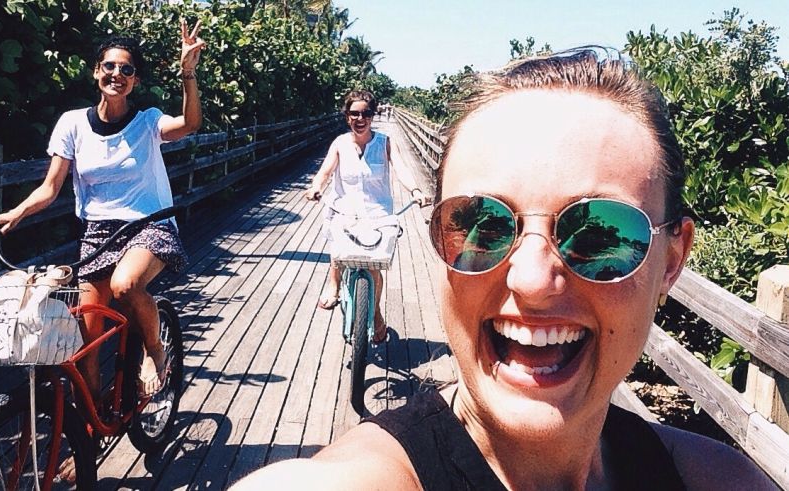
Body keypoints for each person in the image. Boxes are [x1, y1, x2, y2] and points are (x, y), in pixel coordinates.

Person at [232, 49, 776, 489]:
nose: (532, 280)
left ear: (671, 261)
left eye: (601, 232)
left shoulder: (723, 479)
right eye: (481, 224)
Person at [0, 20, 205, 402]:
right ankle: (89, 435)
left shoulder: (147, 121)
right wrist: (17, 212)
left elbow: (189, 123)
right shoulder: (72, 124)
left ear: (135, 81)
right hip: (98, 233)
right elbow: (50, 188)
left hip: (149, 225)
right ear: (96, 72)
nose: (117, 74)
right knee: (85, 345)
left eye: (126, 69)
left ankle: (154, 349)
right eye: (109, 66)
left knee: (125, 285)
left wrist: (187, 72)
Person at [304, 89, 425, 344]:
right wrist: (316, 187)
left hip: (377, 214)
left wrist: (415, 189)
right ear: (347, 116)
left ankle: (376, 312)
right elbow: (325, 172)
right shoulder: (339, 144)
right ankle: (333, 286)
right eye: (354, 114)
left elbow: (401, 168)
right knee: (339, 248)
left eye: (366, 114)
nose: (360, 119)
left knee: (373, 264)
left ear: (373, 115)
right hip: (344, 210)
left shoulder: (384, 142)